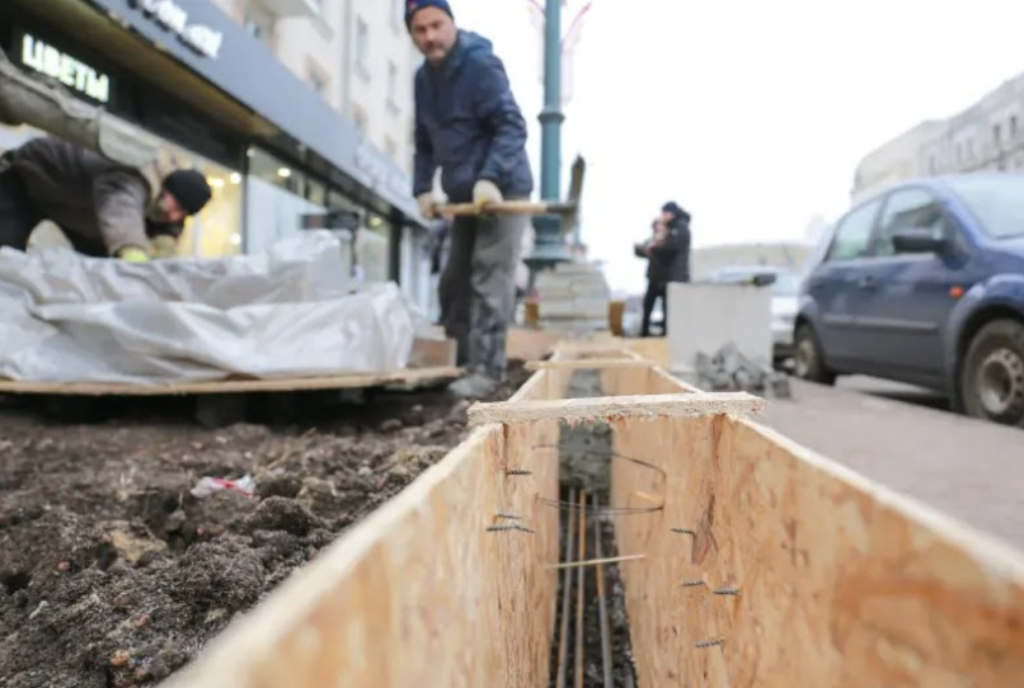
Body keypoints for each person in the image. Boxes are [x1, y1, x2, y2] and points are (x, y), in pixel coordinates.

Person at [406, 0, 534, 398]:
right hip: (464, 197)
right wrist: (423, 187)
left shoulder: (480, 65)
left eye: (436, 25)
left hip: (502, 190)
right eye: (419, 30)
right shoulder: (423, 80)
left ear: (452, 23)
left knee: (487, 276)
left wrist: (491, 177)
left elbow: (512, 125)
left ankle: (486, 371)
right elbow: (424, 141)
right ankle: (460, 363)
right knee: (454, 281)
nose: (429, 36)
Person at [0, 135, 212, 262]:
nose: (173, 215)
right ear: (167, 190)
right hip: (30, 178)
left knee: (104, 272)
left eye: (182, 213)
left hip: (77, 210)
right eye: (176, 205)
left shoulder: (167, 216)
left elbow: (167, 239)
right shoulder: (139, 174)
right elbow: (121, 207)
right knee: (6, 255)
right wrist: (135, 257)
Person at [634, 219, 670, 337]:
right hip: (653, 278)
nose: (657, 228)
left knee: (666, 307)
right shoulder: (651, 240)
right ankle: (644, 331)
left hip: (665, 278)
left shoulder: (669, 240)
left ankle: (665, 331)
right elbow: (643, 251)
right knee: (648, 306)